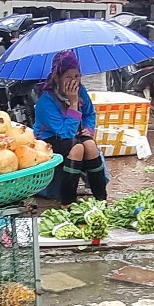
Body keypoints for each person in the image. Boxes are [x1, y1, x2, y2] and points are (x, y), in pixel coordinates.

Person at [33, 51, 106, 204]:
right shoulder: (45, 102)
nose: (74, 81)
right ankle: (68, 201)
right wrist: (73, 103)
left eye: (77, 76)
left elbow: (89, 113)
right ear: (56, 78)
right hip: (49, 139)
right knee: (77, 147)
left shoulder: (81, 91)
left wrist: (88, 128)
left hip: (72, 134)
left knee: (90, 145)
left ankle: (101, 199)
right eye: (68, 77)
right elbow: (64, 133)